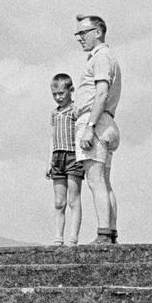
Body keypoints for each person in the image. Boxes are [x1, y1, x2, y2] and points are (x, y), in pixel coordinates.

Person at [73, 15, 121, 245]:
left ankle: (104, 234)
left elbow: (101, 94)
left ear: (98, 32)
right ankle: (109, 232)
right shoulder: (105, 57)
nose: (80, 38)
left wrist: (89, 127)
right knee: (104, 180)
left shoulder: (101, 58)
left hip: (96, 121)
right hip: (106, 122)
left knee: (95, 180)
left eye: (83, 33)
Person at [45, 73, 84, 246]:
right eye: (55, 95)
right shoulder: (54, 113)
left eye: (61, 93)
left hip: (72, 155)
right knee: (59, 201)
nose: (58, 97)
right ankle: (58, 237)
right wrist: (49, 161)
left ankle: (73, 238)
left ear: (70, 91)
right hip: (57, 156)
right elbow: (52, 137)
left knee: (73, 199)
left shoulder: (74, 110)